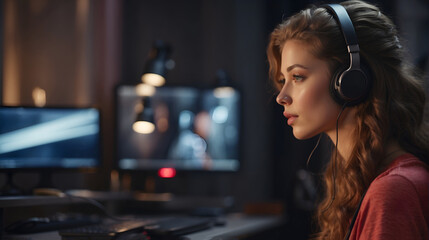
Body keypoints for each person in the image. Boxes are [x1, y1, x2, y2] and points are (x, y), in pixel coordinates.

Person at [266, 0, 429, 239]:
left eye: (298, 76)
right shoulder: (372, 178)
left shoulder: (393, 191)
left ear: (351, 82)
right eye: (283, 80)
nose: (282, 97)